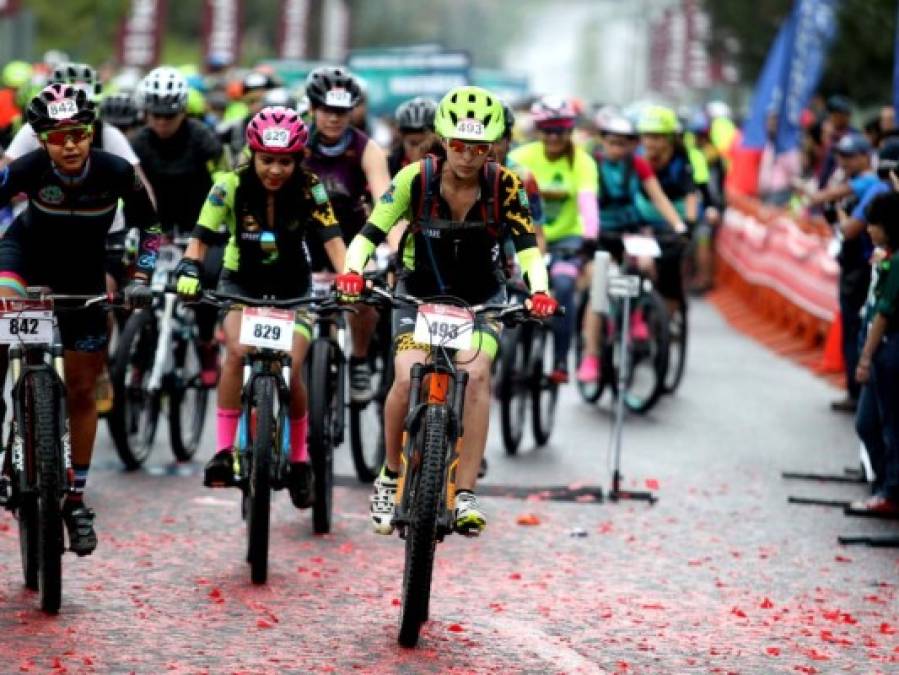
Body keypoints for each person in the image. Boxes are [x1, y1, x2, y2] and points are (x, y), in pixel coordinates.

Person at [335, 86, 557, 535]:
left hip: (482, 300)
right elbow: (368, 234)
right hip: (417, 294)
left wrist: (540, 290)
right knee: (405, 375)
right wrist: (353, 271)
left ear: (492, 147)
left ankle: (467, 492)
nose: (468, 156)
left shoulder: (506, 186)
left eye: (479, 147)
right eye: (458, 144)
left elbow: (528, 251)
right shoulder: (413, 179)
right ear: (442, 139)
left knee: (476, 377)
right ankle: (390, 473)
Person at [0, 84, 160, 555]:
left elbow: (149, 226)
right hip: (24, 259)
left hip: (84, 276)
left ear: (92, 134)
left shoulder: (117, 172)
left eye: (79, 134)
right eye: (57, 136)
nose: (69, 144)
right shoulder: (26, 169)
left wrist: (139, 277)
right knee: (3, 306)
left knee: (84, 388)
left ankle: (74, 497)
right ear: (42, 140)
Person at [175, 106, 346, 509]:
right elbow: (200, 237)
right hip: (241, 281)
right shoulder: (228, 185)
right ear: (252, 154)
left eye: (285, 162)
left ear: (298, 160)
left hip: (293, 285)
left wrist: (350, 276)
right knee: (235, 354)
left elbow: (333, 239)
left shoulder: (311, 187)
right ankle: (223, 452)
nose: (275, 170)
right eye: (267, 160)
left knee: (294, 364)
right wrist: (189, 268)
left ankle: (300, 459)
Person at [131, 66, 227, 387]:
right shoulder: (139, 143)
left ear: (183, 111)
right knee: (142, 284)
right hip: (156, 224)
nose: (160, 123)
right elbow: (125, 188)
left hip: (199, 224)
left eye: (168, 117)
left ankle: (206, 343)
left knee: (207, 277)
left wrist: (220, 222)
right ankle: (139, 356)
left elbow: (224, 182)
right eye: (154, 115)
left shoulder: (203, 139)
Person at [577, 114, 687, 383]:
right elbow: (584, 198)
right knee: (600, 288)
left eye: (624, 144)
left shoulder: (638, 164)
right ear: (602, 141)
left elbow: (658, 196)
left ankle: (637, 314)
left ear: (632, 145)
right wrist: (586, 230)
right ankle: (591, 356)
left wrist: (679, 225)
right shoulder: (590, 163)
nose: (617, 149)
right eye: (612, 143)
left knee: (647, 265)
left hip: (630, 231)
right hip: (599, 233)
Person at [303, 66, 391, 401]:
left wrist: (395, 249)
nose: (334, 119)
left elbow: (386, 204)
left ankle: (359, 359)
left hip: (355, 240)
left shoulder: (367, 149)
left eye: (342, 111)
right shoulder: (298, 144)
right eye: (327, 110)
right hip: (305, 239)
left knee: (366, 293)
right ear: (313, 109)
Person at [508, 96, 598, 382]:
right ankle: (504, 358)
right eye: (547, 129)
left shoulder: (582, 161)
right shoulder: (522, 157)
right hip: (525, 238)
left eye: (560, 130)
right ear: (537, 130)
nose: (554, 136)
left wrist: (590, 237)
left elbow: (587, 201)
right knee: (512, 287)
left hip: (566, 241)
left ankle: (560, 359)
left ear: (571, 130)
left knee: (563, 284)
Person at [801, 133, 878, 413]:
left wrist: (839, 215)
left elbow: (848, 229)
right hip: (859, 266)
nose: (842, 162)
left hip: (862, 268)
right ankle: (857, 392)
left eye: (848, 156)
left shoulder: (868, 184)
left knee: (856, 330)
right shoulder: (862, 185)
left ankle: (857, 394)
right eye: (840, 156)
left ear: (864, 156)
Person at [852, 191, 899, 514]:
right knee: (869, 423)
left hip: (888, 352)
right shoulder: (887, 258)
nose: (869, 228)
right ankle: (885, 486)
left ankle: (891, 491)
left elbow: (883, 313)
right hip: (881, 351)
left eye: (875, 224)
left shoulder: (895, 264)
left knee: (888, 425)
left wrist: (866, 357)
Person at [387, 96, 443, 177]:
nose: (419, 150)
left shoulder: (449, 165)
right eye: (413, 144)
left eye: (426, 145)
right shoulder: (389, 166)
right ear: (402, 138)